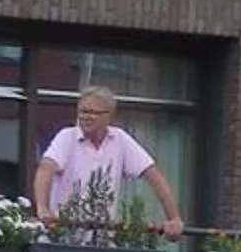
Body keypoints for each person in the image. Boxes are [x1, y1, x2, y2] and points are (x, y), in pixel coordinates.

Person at [30, 85, 187, 243]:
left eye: (93, 112)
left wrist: (173, 218)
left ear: (109, 116)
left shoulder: (120, 139)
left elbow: (154, 176)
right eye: (83, 111)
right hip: (61, 238)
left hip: (102, 239)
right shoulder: (67, 137)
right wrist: (43, 208)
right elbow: (46, 168)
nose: (86, 117)